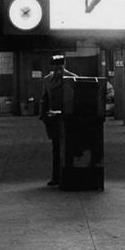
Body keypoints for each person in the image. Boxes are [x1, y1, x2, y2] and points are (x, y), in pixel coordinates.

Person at [39, 53, 76, 186]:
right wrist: (42, 114)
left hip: (69, 117)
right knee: (56, 148)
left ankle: (68, 175)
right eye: (55, 66)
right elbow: (45, 98)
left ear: (64, 65)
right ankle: (56, 176)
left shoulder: (73, 78)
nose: (58, 69)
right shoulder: (47, 80)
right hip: (54, 118)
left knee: (68, 147)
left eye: (60, 66)